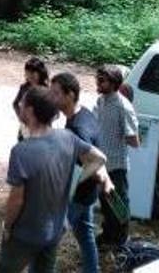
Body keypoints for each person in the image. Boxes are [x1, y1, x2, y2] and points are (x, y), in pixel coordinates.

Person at [0, 86, 113, 273]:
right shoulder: (68, 138)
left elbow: (17, 199)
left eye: (23, 103)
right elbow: (99, 158)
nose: (20, 106)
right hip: (54, 231)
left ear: (31, 110)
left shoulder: (21, 151)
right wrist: (76, 181)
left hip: (25, 234)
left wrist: (7, 227)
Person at [51, 72, 101, 273]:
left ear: (70, 95)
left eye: (55, 93)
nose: (51, 98)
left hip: (76, 197)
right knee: (86, 235)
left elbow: (93, 160)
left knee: (50, 240)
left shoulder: (77, 129)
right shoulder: (84, 113)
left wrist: (73, 185)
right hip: (88, 194)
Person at [95, 65, 140, 248]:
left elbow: (134, 141)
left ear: (113, 83)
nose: (97, 82)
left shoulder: (124, 107)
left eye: (102, 80)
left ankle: (121, 239)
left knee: (118, 202)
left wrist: (126, 134)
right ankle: (108, 234)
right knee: (105, 203)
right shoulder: (100, 100)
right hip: (101, 162)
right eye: (97, 78)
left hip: (117, 164)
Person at [12, 58, 49, 141]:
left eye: (33, 73)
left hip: (42, 127)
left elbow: (54, 109)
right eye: (27, 73)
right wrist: (21, 117)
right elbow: (15, 103)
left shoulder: (47, 90)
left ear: (40, 73)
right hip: (25, 126)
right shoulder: (24, 88)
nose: (30, 76)